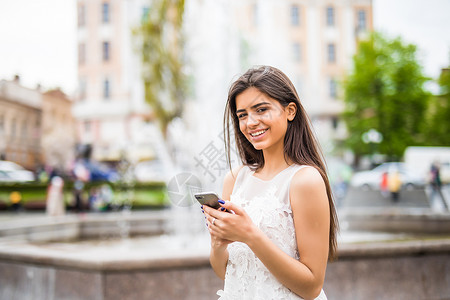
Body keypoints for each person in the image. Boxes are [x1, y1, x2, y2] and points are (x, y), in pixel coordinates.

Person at [202, 66, 338, 299]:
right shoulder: (235, 179)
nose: (250, 122)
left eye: (261, 109)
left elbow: (312, 286)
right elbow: (226, 272)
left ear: (290, 111)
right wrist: (218, 243)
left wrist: (249, 235)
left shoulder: (305, 180)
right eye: (242, 114)